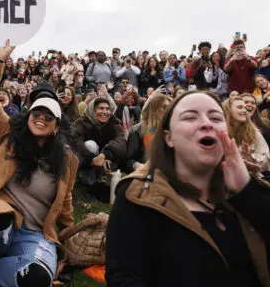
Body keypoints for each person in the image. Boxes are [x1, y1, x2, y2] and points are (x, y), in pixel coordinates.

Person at [106, 91, 270, 287]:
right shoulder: (137, 196)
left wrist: (247, 191)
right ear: (169, 138)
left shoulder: (250, 193)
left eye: (216, 117)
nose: (206, 123)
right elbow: (124, 278)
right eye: (190, 117)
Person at [0, 40, 79, 287]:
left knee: (37, 278)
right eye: (36, 113)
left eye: (48, 116)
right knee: (0, 216)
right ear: (29, 114)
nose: (40, 119)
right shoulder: (9, 133)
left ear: (56, 126)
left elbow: (65, 203)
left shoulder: (67, 159)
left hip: (35, 234)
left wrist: (67, 237)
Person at [74, 97, 126, 202]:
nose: (105, 112)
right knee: (90, 145)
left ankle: (105, 184)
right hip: (88, 162)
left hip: (107, 161)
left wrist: (105, 154)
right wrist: (92, 159)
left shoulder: (114, 124)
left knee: (114, 148)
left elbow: (121, 142)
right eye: (101, 108)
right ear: (93, 110)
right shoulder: (81, 123)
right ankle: (88, 181)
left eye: (107, 109)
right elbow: (75, 141)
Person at [122, 94, 171, 173]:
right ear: (154, 109)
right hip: (147, 176)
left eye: (169, 108)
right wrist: (136, 165)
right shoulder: (138, 130)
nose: (168, 111)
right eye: (164, 107)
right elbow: (128, 161)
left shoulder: (171, 130)